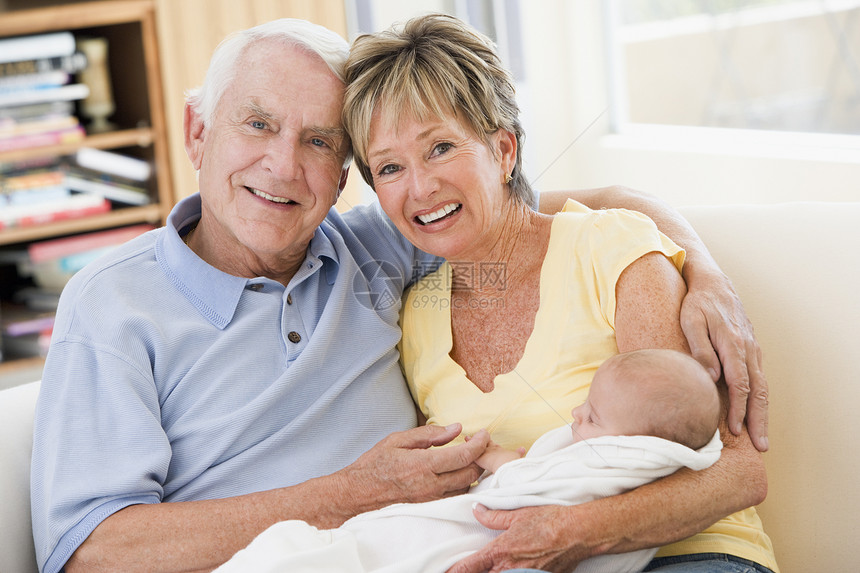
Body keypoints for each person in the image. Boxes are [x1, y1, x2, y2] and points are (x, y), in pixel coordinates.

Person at [30, 17, 766, 573]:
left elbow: (562, 213)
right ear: (198, 130)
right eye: (256, 124)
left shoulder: (374, 250)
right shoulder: (112, 303)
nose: (283, 167)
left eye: (319, 142)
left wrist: (700, 265)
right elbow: (91, 549)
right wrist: (350, 492)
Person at [342, 13, 777, 573]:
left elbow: (739, 472)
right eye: (390, 167)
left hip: (690, 556)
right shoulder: (415, 320)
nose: (420, 187)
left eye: (441, 148)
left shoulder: (612, 252)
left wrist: (573, 532)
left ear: (503, 151)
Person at [214, 349, 723, 573]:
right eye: (389, 167)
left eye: (589, 415)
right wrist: (498, 462)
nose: (574, 416)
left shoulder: (628, 454)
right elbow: (526, 480)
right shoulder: (408, 271)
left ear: (505, 150)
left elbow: (541, 494)